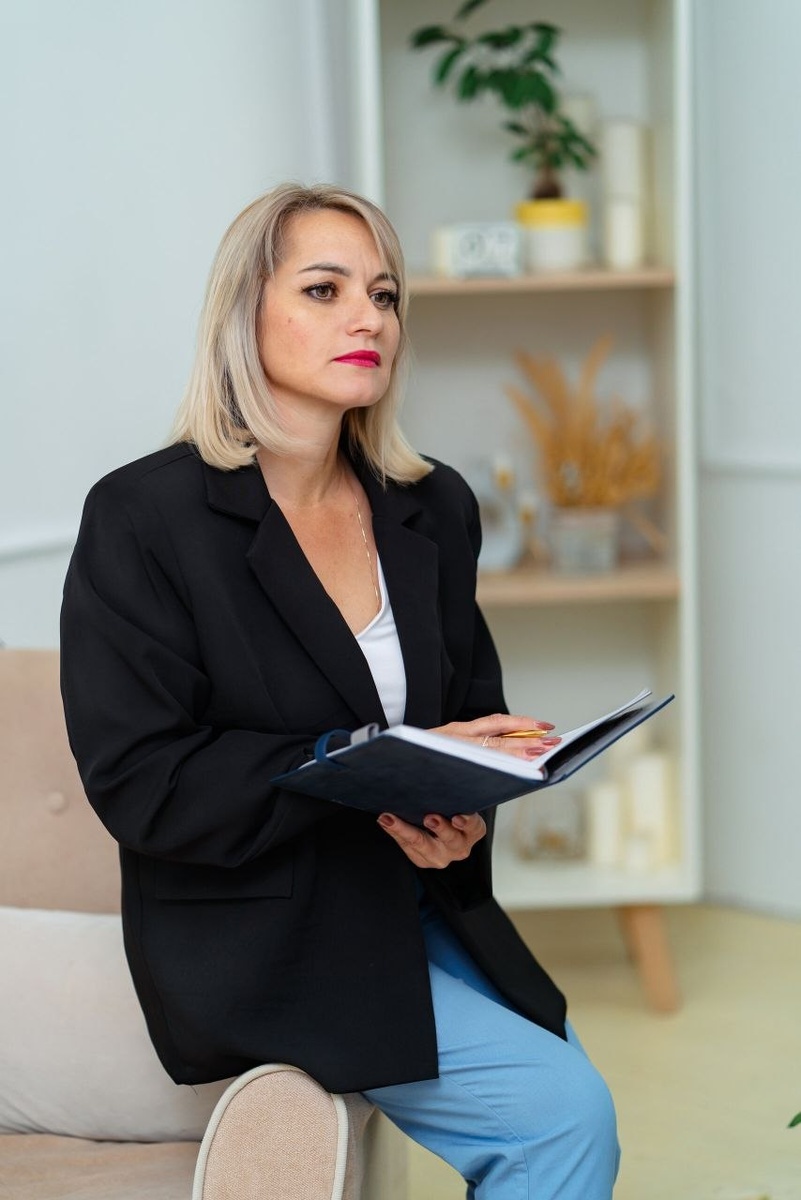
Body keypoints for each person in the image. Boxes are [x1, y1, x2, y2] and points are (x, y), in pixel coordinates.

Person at [60, 182, 619, 1199]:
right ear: (245, 313)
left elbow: (464, 716)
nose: (369, 317)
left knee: (571, 1097)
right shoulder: (143, 518)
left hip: (419, 901)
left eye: (385, 294)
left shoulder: (432, 504)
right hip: (264, 936)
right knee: (562, 1117)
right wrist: (342, 765)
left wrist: (460, 814)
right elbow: (141, 782)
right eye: (325, 290)